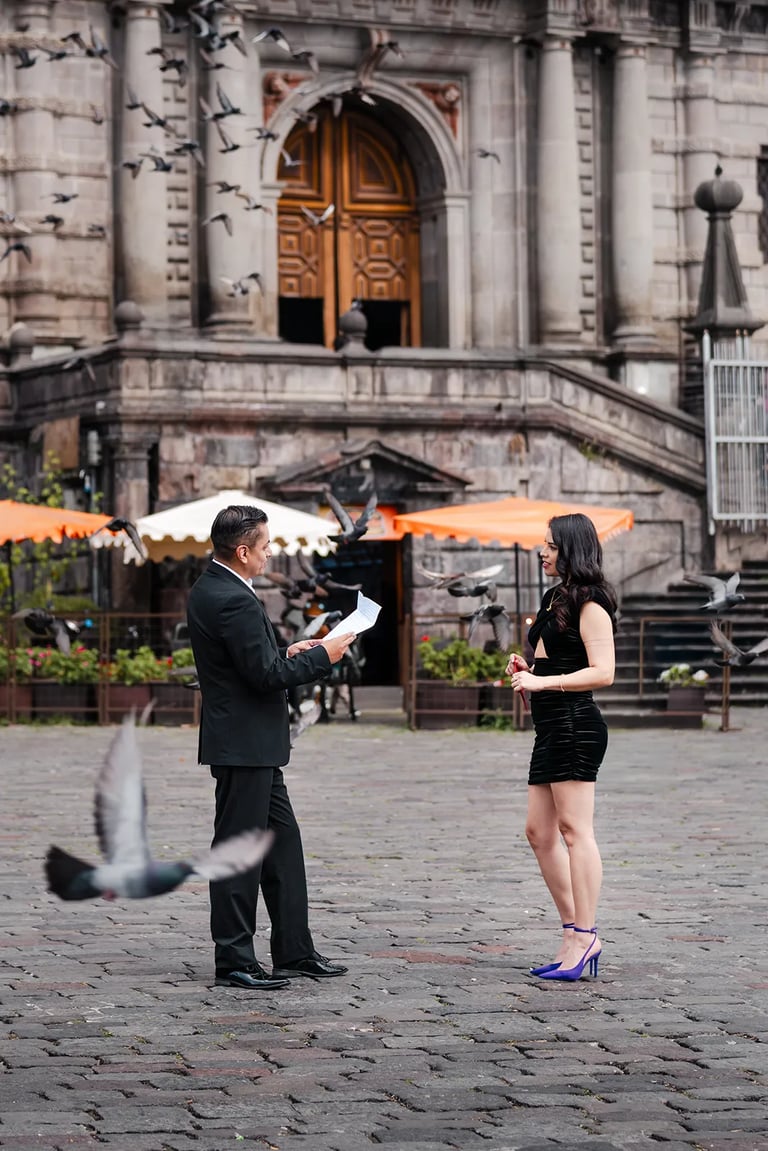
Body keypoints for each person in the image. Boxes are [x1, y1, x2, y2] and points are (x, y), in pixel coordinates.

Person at [187, 504, 356, 990]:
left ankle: (294, 951)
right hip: (244, 744)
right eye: (264, 546)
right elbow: (264, 677)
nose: (269, 554)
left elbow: (252, 661)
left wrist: (288, 651)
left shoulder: (215, 586)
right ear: (242, 551)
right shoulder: (233, 598)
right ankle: (234, 959)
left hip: (252, 744)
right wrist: (324, 654)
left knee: (283, 848)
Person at [506, 513, 616, 981]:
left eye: (550, 546)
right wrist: (528, 667)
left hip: (576, 725)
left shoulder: (592, 603)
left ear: (570, 548)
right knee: (539, 833)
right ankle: (574, 930)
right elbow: (553, 659)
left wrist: (544, 683)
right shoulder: (555, 597)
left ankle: (585, 934)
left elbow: (603, 672)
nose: (542, 552)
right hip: (551, 727)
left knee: (575, 831)